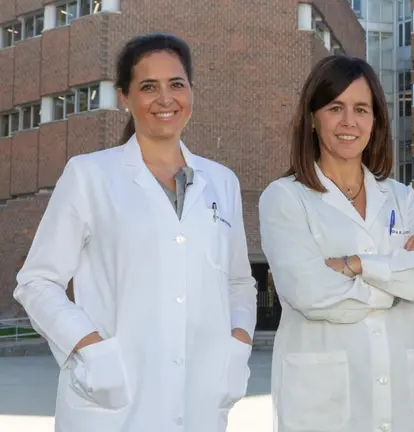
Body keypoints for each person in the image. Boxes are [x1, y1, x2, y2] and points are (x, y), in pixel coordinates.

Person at [14, 33, 257, 432]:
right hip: (113, 399)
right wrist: (91, 350)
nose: (165, 99)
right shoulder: (89, 175)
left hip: (200, 397)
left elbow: (239, 282)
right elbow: (37, 281)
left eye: (176, 84)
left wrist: (238, 345)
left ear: (191, 91)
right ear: (124, 97)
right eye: (148, 87)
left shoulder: (222, 182)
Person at [259, 55, 414, 432]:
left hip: (404, 409)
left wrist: (359, 265)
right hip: (322, 411)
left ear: (375, 120)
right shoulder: (284, 198)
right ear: (313, 118)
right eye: (335, 108)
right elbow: (310, 293)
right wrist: (398, 285)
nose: (349, 121)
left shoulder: (400, 197)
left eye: (361, 109)